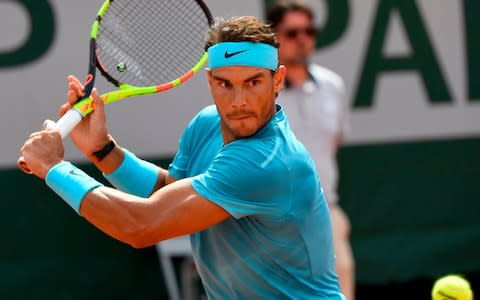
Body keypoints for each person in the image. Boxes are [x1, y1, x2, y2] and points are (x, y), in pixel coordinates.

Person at [20, 16, 345, 299]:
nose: (239, 101)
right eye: (225, 84)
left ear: (277, 80)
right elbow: (169, 192)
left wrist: (54, 167)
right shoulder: (206, 124)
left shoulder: (269, 162)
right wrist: (103, 150)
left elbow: (141, 225)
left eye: (253, 82)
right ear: (210, 81)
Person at [267, 1, 355, 299]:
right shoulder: (261, 92)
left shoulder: (334, 85)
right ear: (274, 38)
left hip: (325, 211)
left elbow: (334, 144)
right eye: (292, 32)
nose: (302, 38)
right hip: (274, 219)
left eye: (309, 31)